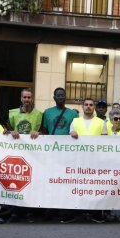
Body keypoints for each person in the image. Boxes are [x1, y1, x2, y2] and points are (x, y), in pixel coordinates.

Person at [42, 87, 78, 223]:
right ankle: (51, 209)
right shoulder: (47, 113)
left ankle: (65, 210)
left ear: (65, 97)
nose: (61, 97)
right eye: (58, 95)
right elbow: (44, 131)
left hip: (67, 153)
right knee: (51, 181)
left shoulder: (73, 114)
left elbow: (75, 131)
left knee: (65, 181)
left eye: (63, 95)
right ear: (54, 97)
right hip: (52, 153)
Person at [70, 98, 106, 223]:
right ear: (82, 106)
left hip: (95, 160)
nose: (89, 107)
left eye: (91, 105)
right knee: (79, 186)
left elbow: (106, 141)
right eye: (86, 105)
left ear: (94, 107)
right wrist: (72, 133)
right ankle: (78, 212)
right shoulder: (75, 121)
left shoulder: (101, 122)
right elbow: (71, 134)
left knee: (94, 187)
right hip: (79, 160)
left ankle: (95, 213)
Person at [8, 88, 42, 222]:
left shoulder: (39, 114)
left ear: (32, 99)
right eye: (25, 97)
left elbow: (43, 131)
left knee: (31, 183)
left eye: (29, 97)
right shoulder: (12, 113)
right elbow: (7, 130)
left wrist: (39, 133)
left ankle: (29, 212)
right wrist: (11, 132)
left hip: (32, 154)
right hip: (16, 153)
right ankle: (15, 212)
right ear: (21, 99)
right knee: (16, 183)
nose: (27, 100)